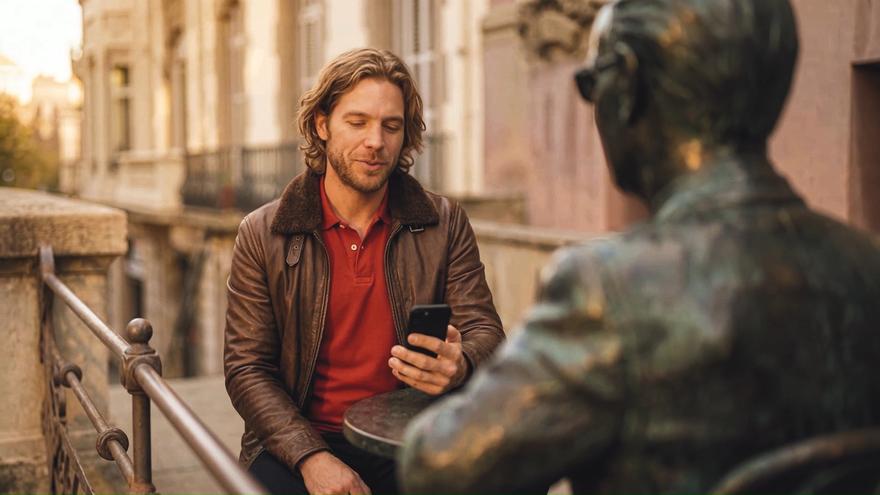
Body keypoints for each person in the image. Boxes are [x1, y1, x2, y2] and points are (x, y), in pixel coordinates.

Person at [399, 0, 880, 492]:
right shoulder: (867, 266)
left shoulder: (607, 290)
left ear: (626, 86)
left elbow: (440, 465)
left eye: (591, 85)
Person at [224, 48, 504, 495]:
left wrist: (462, 363)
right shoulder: (263, 233)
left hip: (411, 435)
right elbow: (246, 369)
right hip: (299, 439)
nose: (376, 141)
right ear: (322, 124)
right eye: (358, 122)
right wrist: (312, 459)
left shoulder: (444, 221)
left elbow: (485, 330)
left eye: (391, 126)